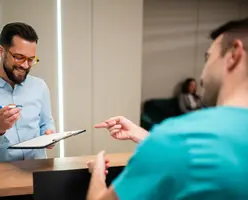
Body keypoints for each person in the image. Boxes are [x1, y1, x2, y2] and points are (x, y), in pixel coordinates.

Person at [86, 17, 248, 200]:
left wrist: (97, 171)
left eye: (208, 57)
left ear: (234, 54)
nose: (203, 71)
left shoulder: (179, 136)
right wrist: (146, 137)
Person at [0, 22, 55, 162]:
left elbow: (46, 124)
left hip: (39, 171)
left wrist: (50, 135)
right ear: (1, 51)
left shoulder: (40, 87)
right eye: (19, 57)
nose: (25, 65)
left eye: (31, 59)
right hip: (2, 177)